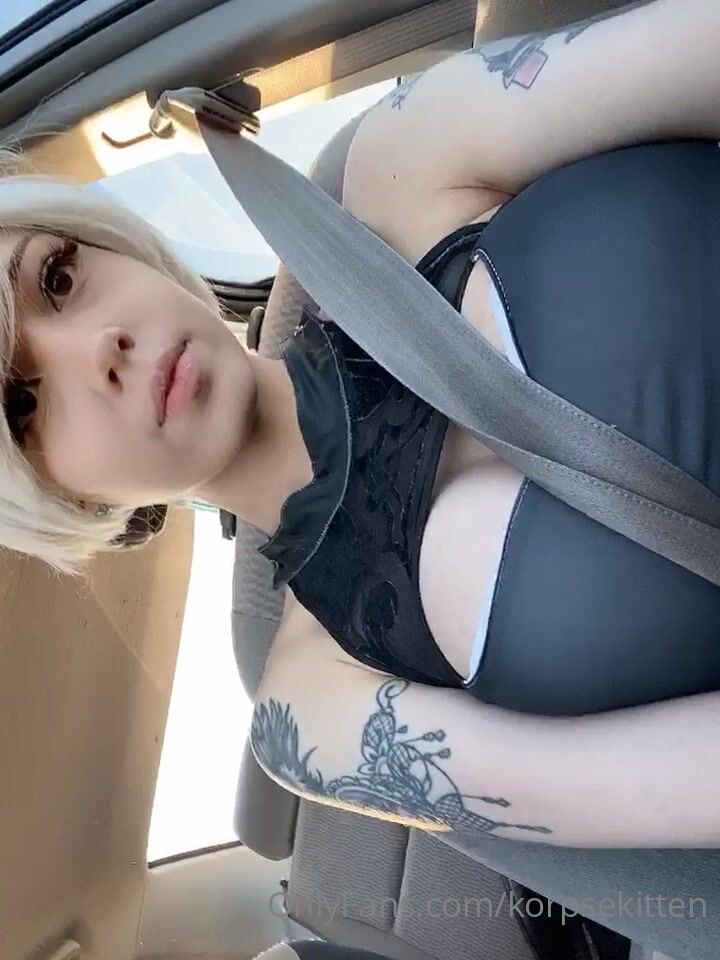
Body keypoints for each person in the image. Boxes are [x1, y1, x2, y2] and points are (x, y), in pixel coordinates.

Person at [2, 0, 720, 847]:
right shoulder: (313, 714)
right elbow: (677, 790)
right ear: (65, 502)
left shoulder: (408, 157)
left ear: (115, 246)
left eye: (56, 278)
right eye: (21, 405)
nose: (99, 349)